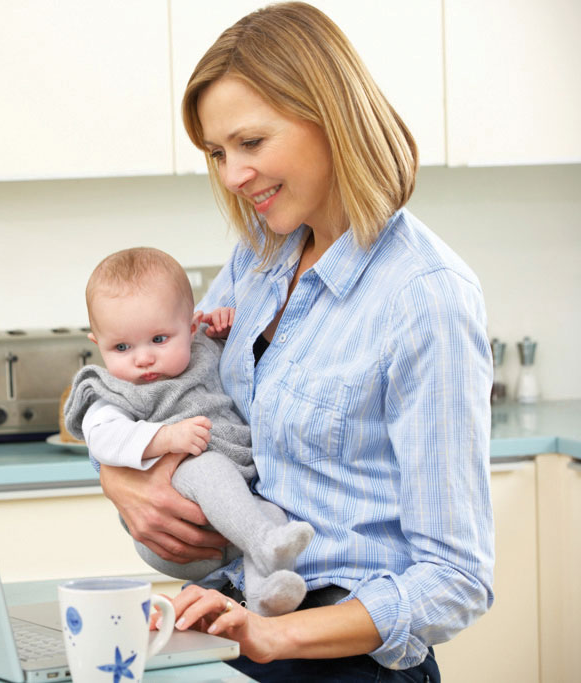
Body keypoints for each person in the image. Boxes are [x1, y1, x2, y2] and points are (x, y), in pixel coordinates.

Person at [97, 3, 495, 680]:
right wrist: (119, 479)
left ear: (330, 115)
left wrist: (279, 636)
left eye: (251, 143)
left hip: (342, 662)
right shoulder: (259, 259)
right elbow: (159, 389)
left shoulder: (424, 297)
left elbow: (455, 577)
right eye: (218, 153)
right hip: (232, 627)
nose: (232, 176)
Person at [63, 247, 313, 616]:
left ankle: (266, 599)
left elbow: (247, 362)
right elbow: (103, 439)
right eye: (121, 347)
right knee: (206, 466)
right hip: (176, 533)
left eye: (159, 339)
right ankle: (263, 543)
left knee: (273, 515)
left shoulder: (204, 351)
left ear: (193, 327)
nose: (142, 358)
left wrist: (228, 331)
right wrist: (164, 439)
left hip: (232, 516)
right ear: (96, 345)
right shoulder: (113, 391)